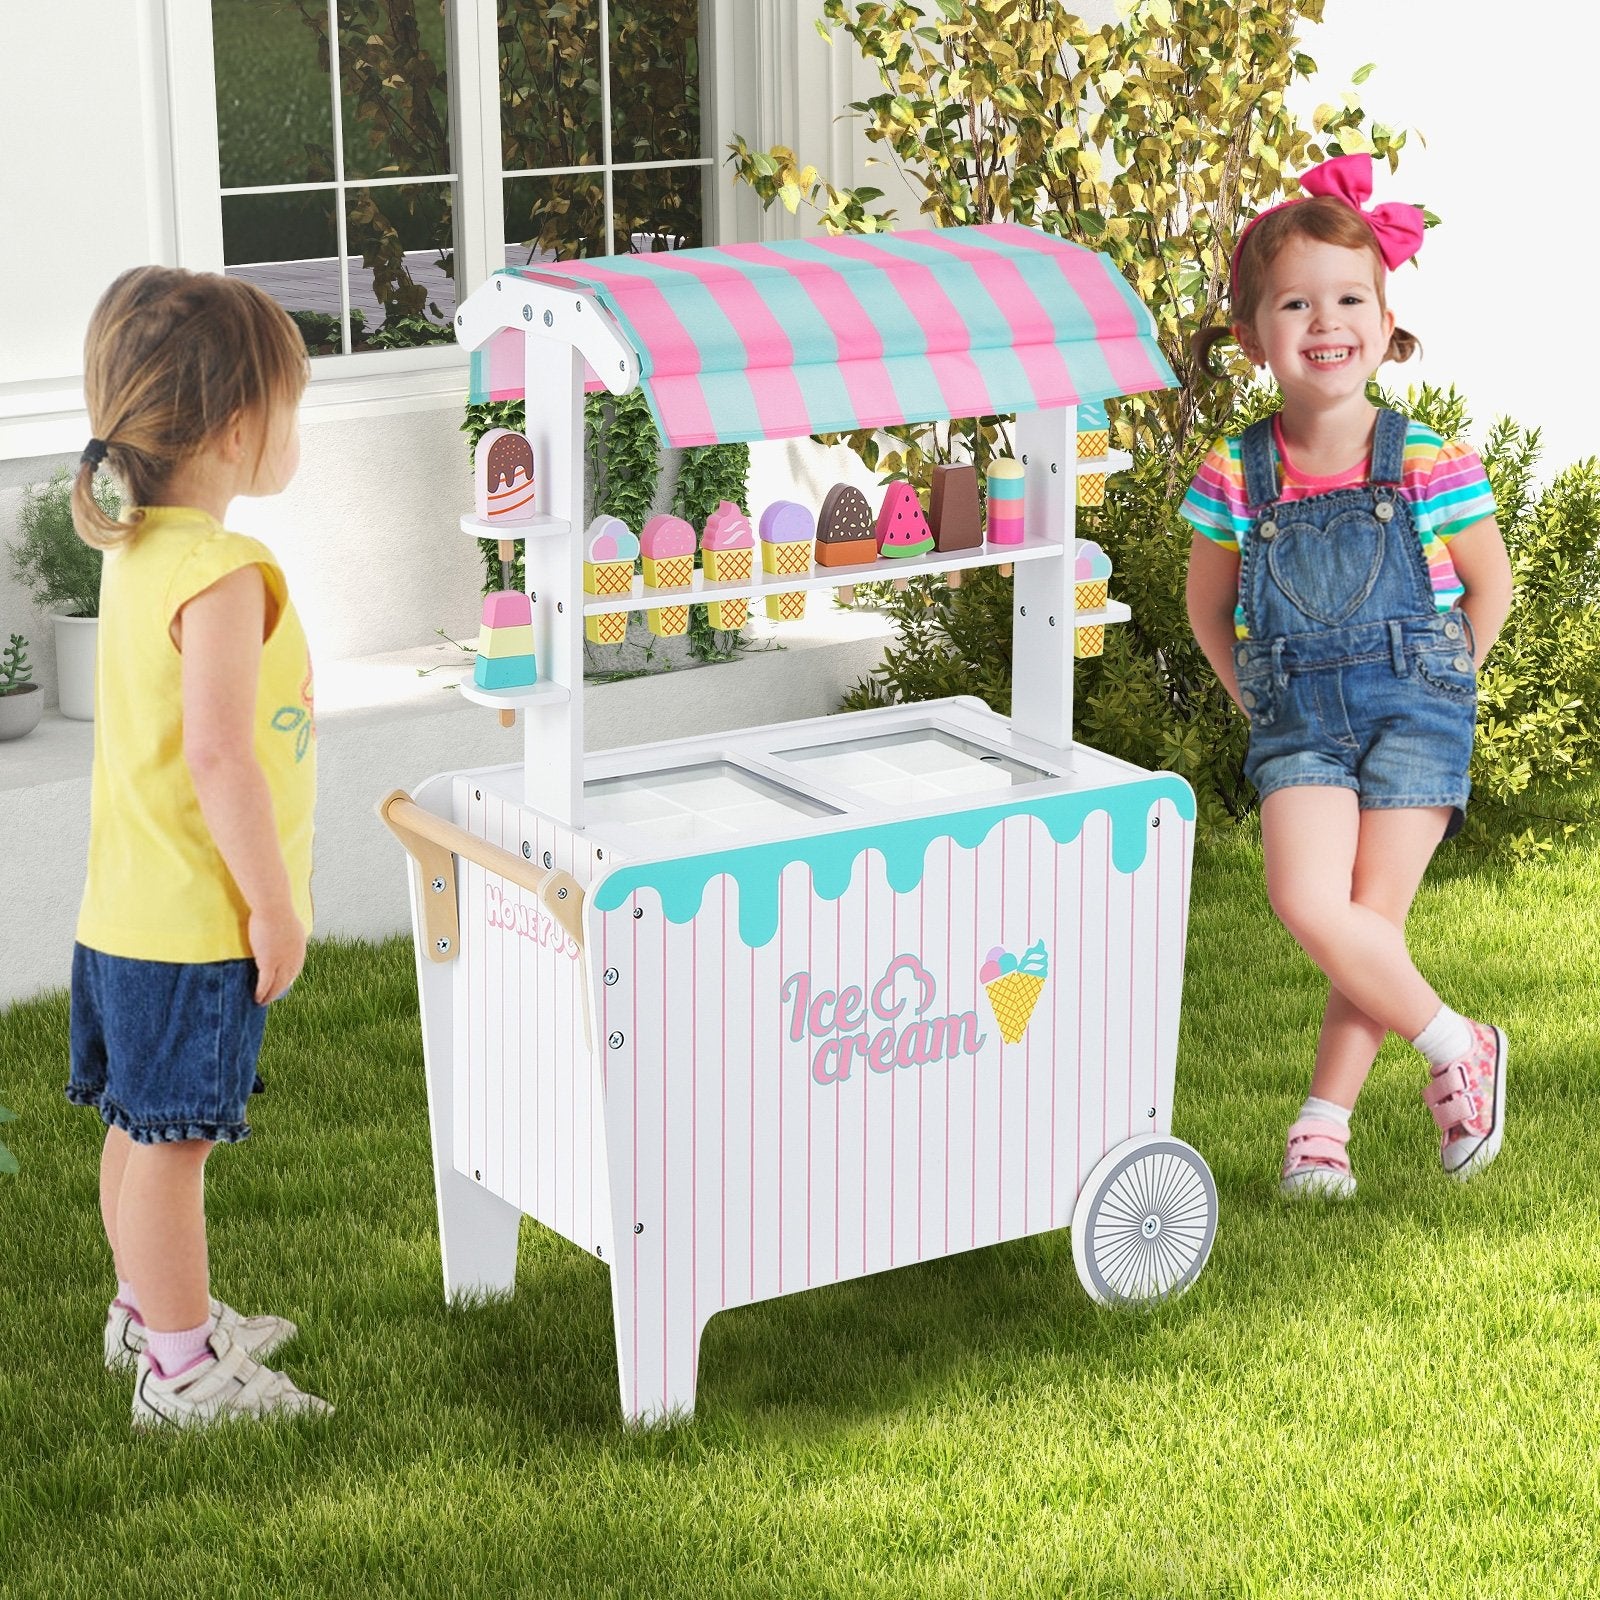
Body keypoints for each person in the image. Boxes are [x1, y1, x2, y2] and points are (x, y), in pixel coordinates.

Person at [1183, 155, 1514, 1200]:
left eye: (1347, 297)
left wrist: (1446, 677)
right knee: (1309, 901)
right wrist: (1250, 692)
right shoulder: (1238, 470)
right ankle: (1459, 1042)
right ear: (1252, 337)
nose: (1324, 321)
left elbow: (1486, 585)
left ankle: (1319, 1131)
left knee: (1369, 911)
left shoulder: (1427, 459)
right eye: (1294, 302)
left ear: (1382, 315)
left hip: (1416, 705)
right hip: (1296, 718)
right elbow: (1207, 604)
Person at [67, 266, 331, 1425]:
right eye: (291, 405)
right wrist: (271, 908)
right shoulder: (219, 574)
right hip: (190, 919)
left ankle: (147, 1312)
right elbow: (224, 759)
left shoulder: (138, 550)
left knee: (140, 1123)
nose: (293, 429)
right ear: (235, 431)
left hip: (123, 907)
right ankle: (181, 1373)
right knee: (176, 1146)